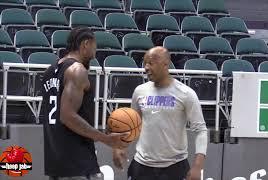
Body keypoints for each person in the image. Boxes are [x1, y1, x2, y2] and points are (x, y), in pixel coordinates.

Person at [41, 27, 128, 180]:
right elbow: (67, 116)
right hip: (77, 163)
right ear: (86, 44)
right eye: (94, 47)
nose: (95, 54)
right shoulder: (77, 70)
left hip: (56, 163)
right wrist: (106, 138)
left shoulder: (50, 71)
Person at [113, 46, 208, 180]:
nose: (146, 67)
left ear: (165, 64)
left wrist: (198, 166)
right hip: (141, 166)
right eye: (145, 63)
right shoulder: (139, 91)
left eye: (151, 63)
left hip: (175, 167)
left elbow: (201, 130)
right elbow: (132, 124)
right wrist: (120, 146)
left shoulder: (186, 93)